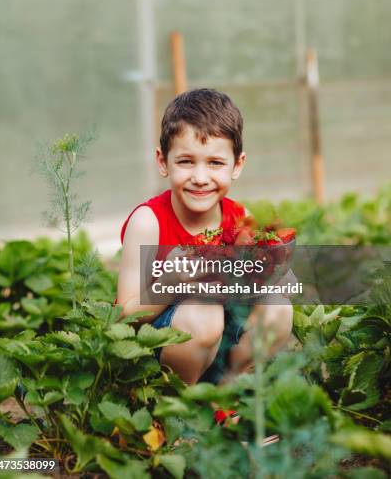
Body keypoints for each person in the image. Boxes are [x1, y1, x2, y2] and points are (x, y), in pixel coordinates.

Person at [117, 88, 293, 386]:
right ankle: (178, 410)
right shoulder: (148, 223)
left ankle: (226, 394)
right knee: (204, 312)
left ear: (237, 165)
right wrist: (168, 283)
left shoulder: (241, 220)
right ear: (163, 162)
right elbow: (124, 316)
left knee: (279, 306)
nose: (200, 177)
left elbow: (256, 285)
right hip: (161, 351)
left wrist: (273, 272)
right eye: (186, 161)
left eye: (215, 163)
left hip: (221, 341)